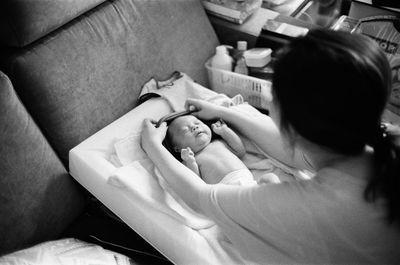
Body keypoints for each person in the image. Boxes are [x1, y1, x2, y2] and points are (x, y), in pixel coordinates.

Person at [141, 29, 400, 264]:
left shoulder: (302, 207)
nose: (267, 98)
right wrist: (223, 112)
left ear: (292, 125)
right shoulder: (374, 144)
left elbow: (199, 196)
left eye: (273, 96)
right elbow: (298, 155)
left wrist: (154, 147)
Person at [164, 114, 278, 185]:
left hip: (249, 182)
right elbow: (195, 182)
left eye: (197, 123)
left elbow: (240, 151)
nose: (195, 127)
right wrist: (190, 162)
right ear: (177, 148)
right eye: (185, 130)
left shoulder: (218, 143)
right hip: (225, 190)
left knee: (270, 179)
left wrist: (225, 132)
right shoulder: (189, 160)